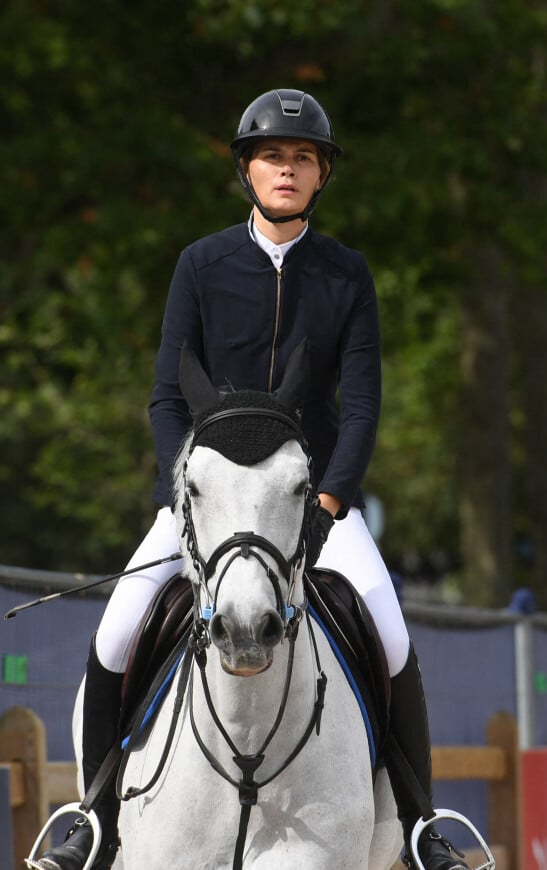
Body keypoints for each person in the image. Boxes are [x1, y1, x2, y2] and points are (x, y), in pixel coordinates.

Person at [34, 89, 468, 870]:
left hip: (313, 505)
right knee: (117, 628)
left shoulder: (346, 275)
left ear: (321, 176)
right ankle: (92, 821)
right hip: (207, 499)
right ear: (248, 168)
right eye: (274, 156)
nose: (288, 170)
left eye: (304, 159)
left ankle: (419, 824)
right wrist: (182, 495)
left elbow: (363, 404)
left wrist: (331, 499)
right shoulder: (201, 265)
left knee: (394, 638)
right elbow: (168, 394)